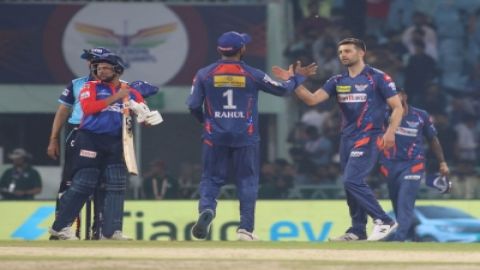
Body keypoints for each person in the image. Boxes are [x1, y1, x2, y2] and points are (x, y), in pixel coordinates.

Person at [186, 31, 315, 241]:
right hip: (245, 137)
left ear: (220, 50)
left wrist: (206, 121)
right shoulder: (252, 74)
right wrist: (298, 77)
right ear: (242, 49)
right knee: (247, 181)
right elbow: (282, 91)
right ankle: (245, 230)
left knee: (211, 179)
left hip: (214, 136)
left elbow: (192, 105)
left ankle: (206, 210)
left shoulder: (204, 74)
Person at [273, 37, 403, 241]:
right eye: (341, 52)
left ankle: (384, 220)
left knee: (352, 179)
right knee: (350, 184)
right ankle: (357, 230)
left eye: (348, 51)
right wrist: (294, 81)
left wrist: (391, 132)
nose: (343, 55)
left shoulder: (378, 77)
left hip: (370, 135)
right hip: (347, 138)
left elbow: (397, 107)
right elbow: (312, 99)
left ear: (361, 53)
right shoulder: (337, 81)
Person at [48, 52, 162, 240]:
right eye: (98, 68)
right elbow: (90, 108)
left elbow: (142, 113)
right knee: (83, 184)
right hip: (90, 138)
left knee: (117, 184)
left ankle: (111, 231)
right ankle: (60, 227)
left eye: (105, 68)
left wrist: (147, 119)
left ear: (117, 69)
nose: (100, 71)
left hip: (117, 141)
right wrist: (118, 96)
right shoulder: (90, 86)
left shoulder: (129, 90)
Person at [379, 89, 450, 241]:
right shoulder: (384, 115)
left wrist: (442, 162)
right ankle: (411, 234)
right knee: (397, 201)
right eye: (389, 98)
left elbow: (433, 139)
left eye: (396, 96)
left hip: (413, 163)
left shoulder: (420, 115)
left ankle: (399, 239)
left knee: (405, 199)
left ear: (404, 96)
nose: (392, 100)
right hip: (390, 163)